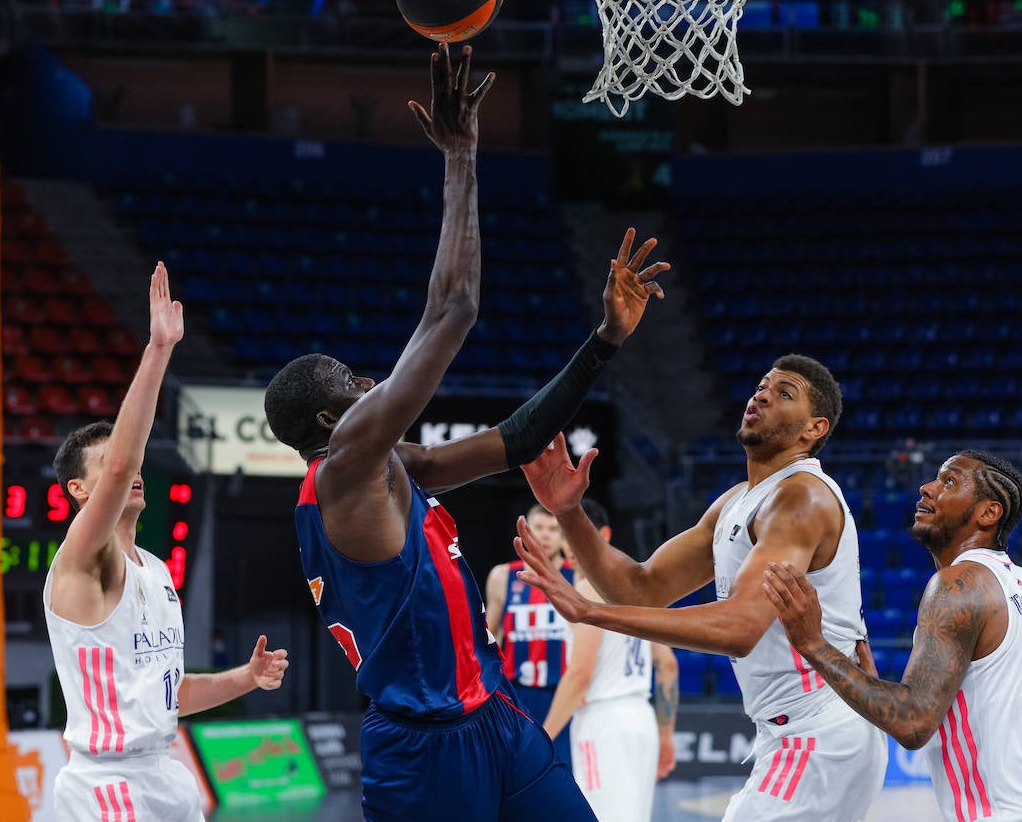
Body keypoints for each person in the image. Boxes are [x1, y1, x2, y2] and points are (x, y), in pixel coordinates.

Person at [262, 43, 669, 821]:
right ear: (327, 422)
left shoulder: (393, 465)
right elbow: (453, 309)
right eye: (352, 381)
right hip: (421, 747)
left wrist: (605, 342)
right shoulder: (345, 469)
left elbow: (515, 440)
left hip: (495, 718)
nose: (370, 380)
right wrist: (462, 154)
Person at [514, 356, 887, 822]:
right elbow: (640, 588)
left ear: (814, 429)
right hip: (794, 731)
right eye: (761, 385)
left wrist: (589, 612)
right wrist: (569, 513)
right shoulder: (737, 500)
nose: (762, 395)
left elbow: (739, 627)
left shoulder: (802, 497)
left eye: (784, 393)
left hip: (821, 731)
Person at [44, 263, 289, 822]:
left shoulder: (153, 567)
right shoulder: (80, 560)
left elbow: (167, 698)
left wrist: (245, 679)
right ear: (79, 489)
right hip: (107, 784)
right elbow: (123, 461)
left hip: (167, 773)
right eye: (107, 467)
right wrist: (158, 350)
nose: (130, 472)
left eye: (129, 464)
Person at [763, 449, 1022, 822]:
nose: (927, 488)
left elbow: (913, 723)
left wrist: (812, 643)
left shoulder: (958, 584)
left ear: (988, 513)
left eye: (949, 481)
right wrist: (871, 684)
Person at [540, 498, 679, 822]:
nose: (568, 543)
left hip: (604, 721)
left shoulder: (589, 589)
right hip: (640, 720)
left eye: (576, 533)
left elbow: (580, 675)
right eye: (566, 534)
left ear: (602, 535)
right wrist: (666, 735)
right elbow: (668, 664)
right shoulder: (634, 586)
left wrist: (542, 738)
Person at [485, 502, 576, 764]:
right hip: (517, 694)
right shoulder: (503, 576)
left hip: (562, 693)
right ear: (526, 532)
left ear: (563, 536)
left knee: (565, 775)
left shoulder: (578, 577)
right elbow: (489, 639)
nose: (546, 535)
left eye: (553, 529)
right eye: (539, 527)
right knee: (515, 774)